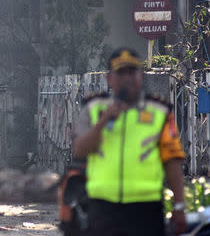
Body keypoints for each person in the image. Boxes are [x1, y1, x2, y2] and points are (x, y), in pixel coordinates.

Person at [73, 48, 187, 236]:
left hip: (145, 210)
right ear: (109, 78)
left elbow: (172, 161)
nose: (127, 78)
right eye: (121, 72)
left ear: (140, 77)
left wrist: (180, 205)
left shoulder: (160, 112)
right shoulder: (93, 109)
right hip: (102, 209)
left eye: (132, 72)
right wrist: (104, 121)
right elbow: (80, 150)